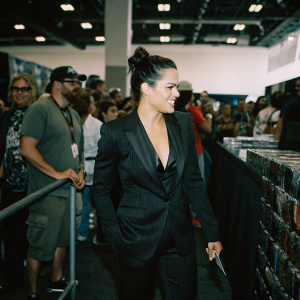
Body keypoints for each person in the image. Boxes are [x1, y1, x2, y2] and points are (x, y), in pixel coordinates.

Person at [91, 47, 222, 300]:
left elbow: (193, 181)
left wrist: (212, 231)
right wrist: (114, 235)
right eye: (170, 87)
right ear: (146, 88)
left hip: (180, 239)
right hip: (135, 238)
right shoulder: (116, 131)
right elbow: (101, 188)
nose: (177, 93)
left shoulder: (182, 122)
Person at [20, 66, 86, 300]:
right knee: (40, 245)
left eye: (78, 82)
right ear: (57, 84)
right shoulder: (40, 109)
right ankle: (32, 292)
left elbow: (78, 152)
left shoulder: (72, 114)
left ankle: (55, 280)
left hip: (69, 193)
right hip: (46, 193)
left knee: (63, 240)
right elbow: (27, 149)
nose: (77, 87)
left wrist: (81, 173)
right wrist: (56, 173)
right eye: (72, 82)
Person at [0, 73, 40, 295]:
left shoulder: (38, 114)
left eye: (24, 89)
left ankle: (35, 275)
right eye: (16, 89)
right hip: (10, 187)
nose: (19, 93)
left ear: (32, 91)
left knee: (34, 234)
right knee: (11, 235)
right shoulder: (6, 117)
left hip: (35, 187)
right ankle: (12, 278)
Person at [68, 87, 103, 241]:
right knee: (77, 202)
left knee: (86, 202)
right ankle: (75, 230)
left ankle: (82, 231)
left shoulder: (97, 125)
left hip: (92, 170)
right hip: (74, 168)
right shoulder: (70, 123)